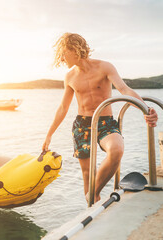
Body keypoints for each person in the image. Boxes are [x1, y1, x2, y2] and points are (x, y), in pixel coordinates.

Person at [42, 33, 158, 203]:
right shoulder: (70, 76)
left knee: (116, 150)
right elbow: (63, 108)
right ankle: (92, 205)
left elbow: (124, 90)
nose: (61, 58)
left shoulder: (105, 67)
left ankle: (91, 194)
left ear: (75, 49)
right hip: (82, 125)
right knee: (87, 173)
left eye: (63, 53)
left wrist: (145, 109)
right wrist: (49, 134)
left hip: (105, 123)